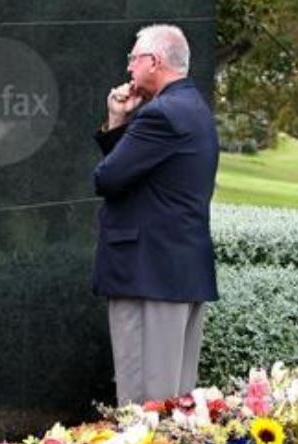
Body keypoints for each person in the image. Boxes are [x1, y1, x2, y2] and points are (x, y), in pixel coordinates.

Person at [92, 24, 219, 405]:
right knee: (174, 407)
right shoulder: (193, 106)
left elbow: (108, 178)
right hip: (177, 271)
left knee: (144, 409)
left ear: (155, 61)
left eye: (134, 58)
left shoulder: (161, 114)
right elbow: (133, 171)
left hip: (149, 275)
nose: (129, 67)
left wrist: (119, 122)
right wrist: (120, 121)